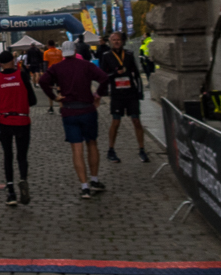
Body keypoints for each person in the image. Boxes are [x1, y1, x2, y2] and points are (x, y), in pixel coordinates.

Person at [39, 40, 111, 199]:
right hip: (87, 109)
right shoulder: (86, 65)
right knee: (92, 143)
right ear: (75, 50)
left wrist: (54, 97)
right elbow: (104, 78)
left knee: (76, 149)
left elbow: (43, 81)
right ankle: (94, 179)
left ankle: (84, 186)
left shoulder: (57, 68)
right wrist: (98, 95)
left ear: (62, 53)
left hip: (69, 111)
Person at [0, 50, 37, 206]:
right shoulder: (22, 75)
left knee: (8, 155)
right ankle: (23, 180)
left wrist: (2, 107)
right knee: (22, 156)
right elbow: (33, 99)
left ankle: (10, 191)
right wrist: (22, 105)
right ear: (13, 60)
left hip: (5, 119)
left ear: (1, 64)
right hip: (22, 119)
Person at [100, 32, 149, 163]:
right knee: (116, 122)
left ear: (122, 41)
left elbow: (136, 74)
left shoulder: (128, 54)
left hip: (131, 92)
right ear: (110, 42)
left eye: (118, 40)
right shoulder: (106, 56)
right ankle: (111, 149)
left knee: (136, 121)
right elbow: (103, 75)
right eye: (113, 40)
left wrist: (140, 91)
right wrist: (115, 73)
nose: (116, 42)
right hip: (117, 94)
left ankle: (142, 149)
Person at [43, 40, 63, 113]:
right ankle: (61, 107)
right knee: (59, 90)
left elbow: (45, 64)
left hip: (50, 73)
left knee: (49, 90)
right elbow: (62, 62)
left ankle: (51, 107)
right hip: (59, 73)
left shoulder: (46, 53)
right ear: (54, 44)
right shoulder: (59, 52)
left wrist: (45, 74)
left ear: (48, 45)